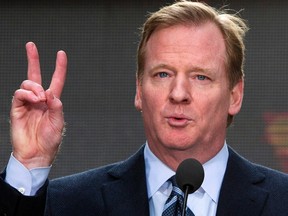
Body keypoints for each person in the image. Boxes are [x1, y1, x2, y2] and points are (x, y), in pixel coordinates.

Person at [1, 1, 288, 216]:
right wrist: (29, 164)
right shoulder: (66, 203)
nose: (178, 94)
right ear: (139, 90)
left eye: (200, 77)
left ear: (235, 95)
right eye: (162, 74)